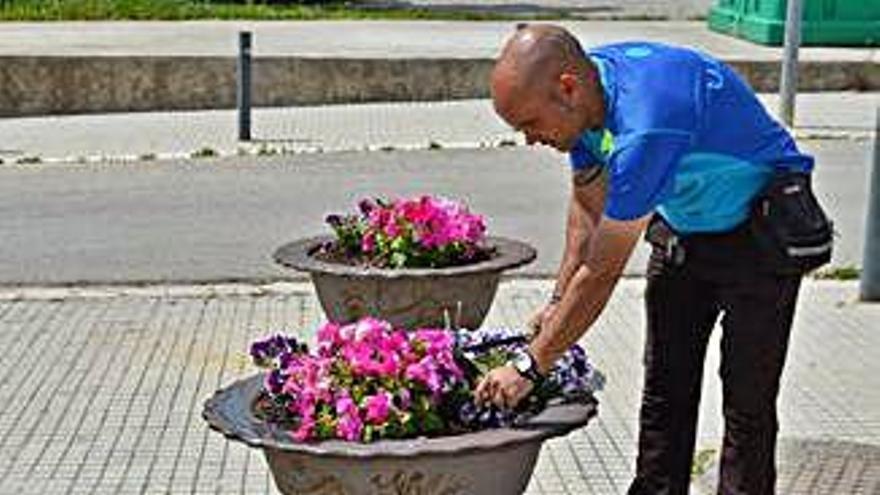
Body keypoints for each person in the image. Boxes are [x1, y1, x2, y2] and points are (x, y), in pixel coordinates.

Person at [475, 24, 825, 494]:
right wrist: (558, 300)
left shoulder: (646, 123)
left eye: (530, 125)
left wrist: (528, 366)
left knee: (747, 403)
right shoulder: (585, 96)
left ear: (567, 89)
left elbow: (602, 271)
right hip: (684, 229)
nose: (530, 140)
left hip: (758, 235)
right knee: (665, 390)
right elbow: (587, 206)